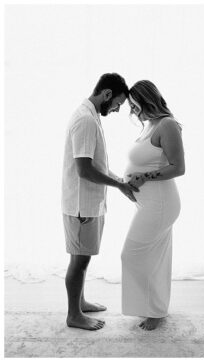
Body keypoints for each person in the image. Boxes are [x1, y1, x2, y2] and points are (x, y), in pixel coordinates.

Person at [61, 72, 137, 331]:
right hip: (82, 205)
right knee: (79, 261)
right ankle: (74, 315)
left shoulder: (90, 117)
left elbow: (97, 165)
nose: (116, 109)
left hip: (88, 203)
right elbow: (84, 170)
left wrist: (120, 182)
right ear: (106, 94)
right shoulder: (85, 120)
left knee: (82, 259)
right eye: (117, 103)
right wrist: (118, 185)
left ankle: (80, 303)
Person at [119, 80, 184, 331]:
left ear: (148, 100)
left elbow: (178, 167)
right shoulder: (150, 126)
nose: (133, 111)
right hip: (149, 203)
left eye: (136, 105)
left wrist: (143, 178)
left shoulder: (167, 125)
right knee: (155, 257)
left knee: (131, 254)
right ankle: (155, 308)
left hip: (160, 204)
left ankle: (154, 310)